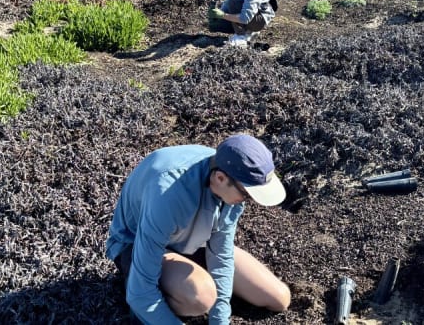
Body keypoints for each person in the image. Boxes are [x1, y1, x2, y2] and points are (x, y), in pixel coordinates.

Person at [106, 134, 291, 324]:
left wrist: (220, 319)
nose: (247, 201)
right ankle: (145, 289)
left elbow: (220, 254)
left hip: (192, 241)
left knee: (279, 298)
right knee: (201, 297)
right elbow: (140, 294)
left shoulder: (231, 179)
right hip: (137, 245)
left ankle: (184, 281)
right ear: (220, 178)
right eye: (247, 194)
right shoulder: (167, 194)